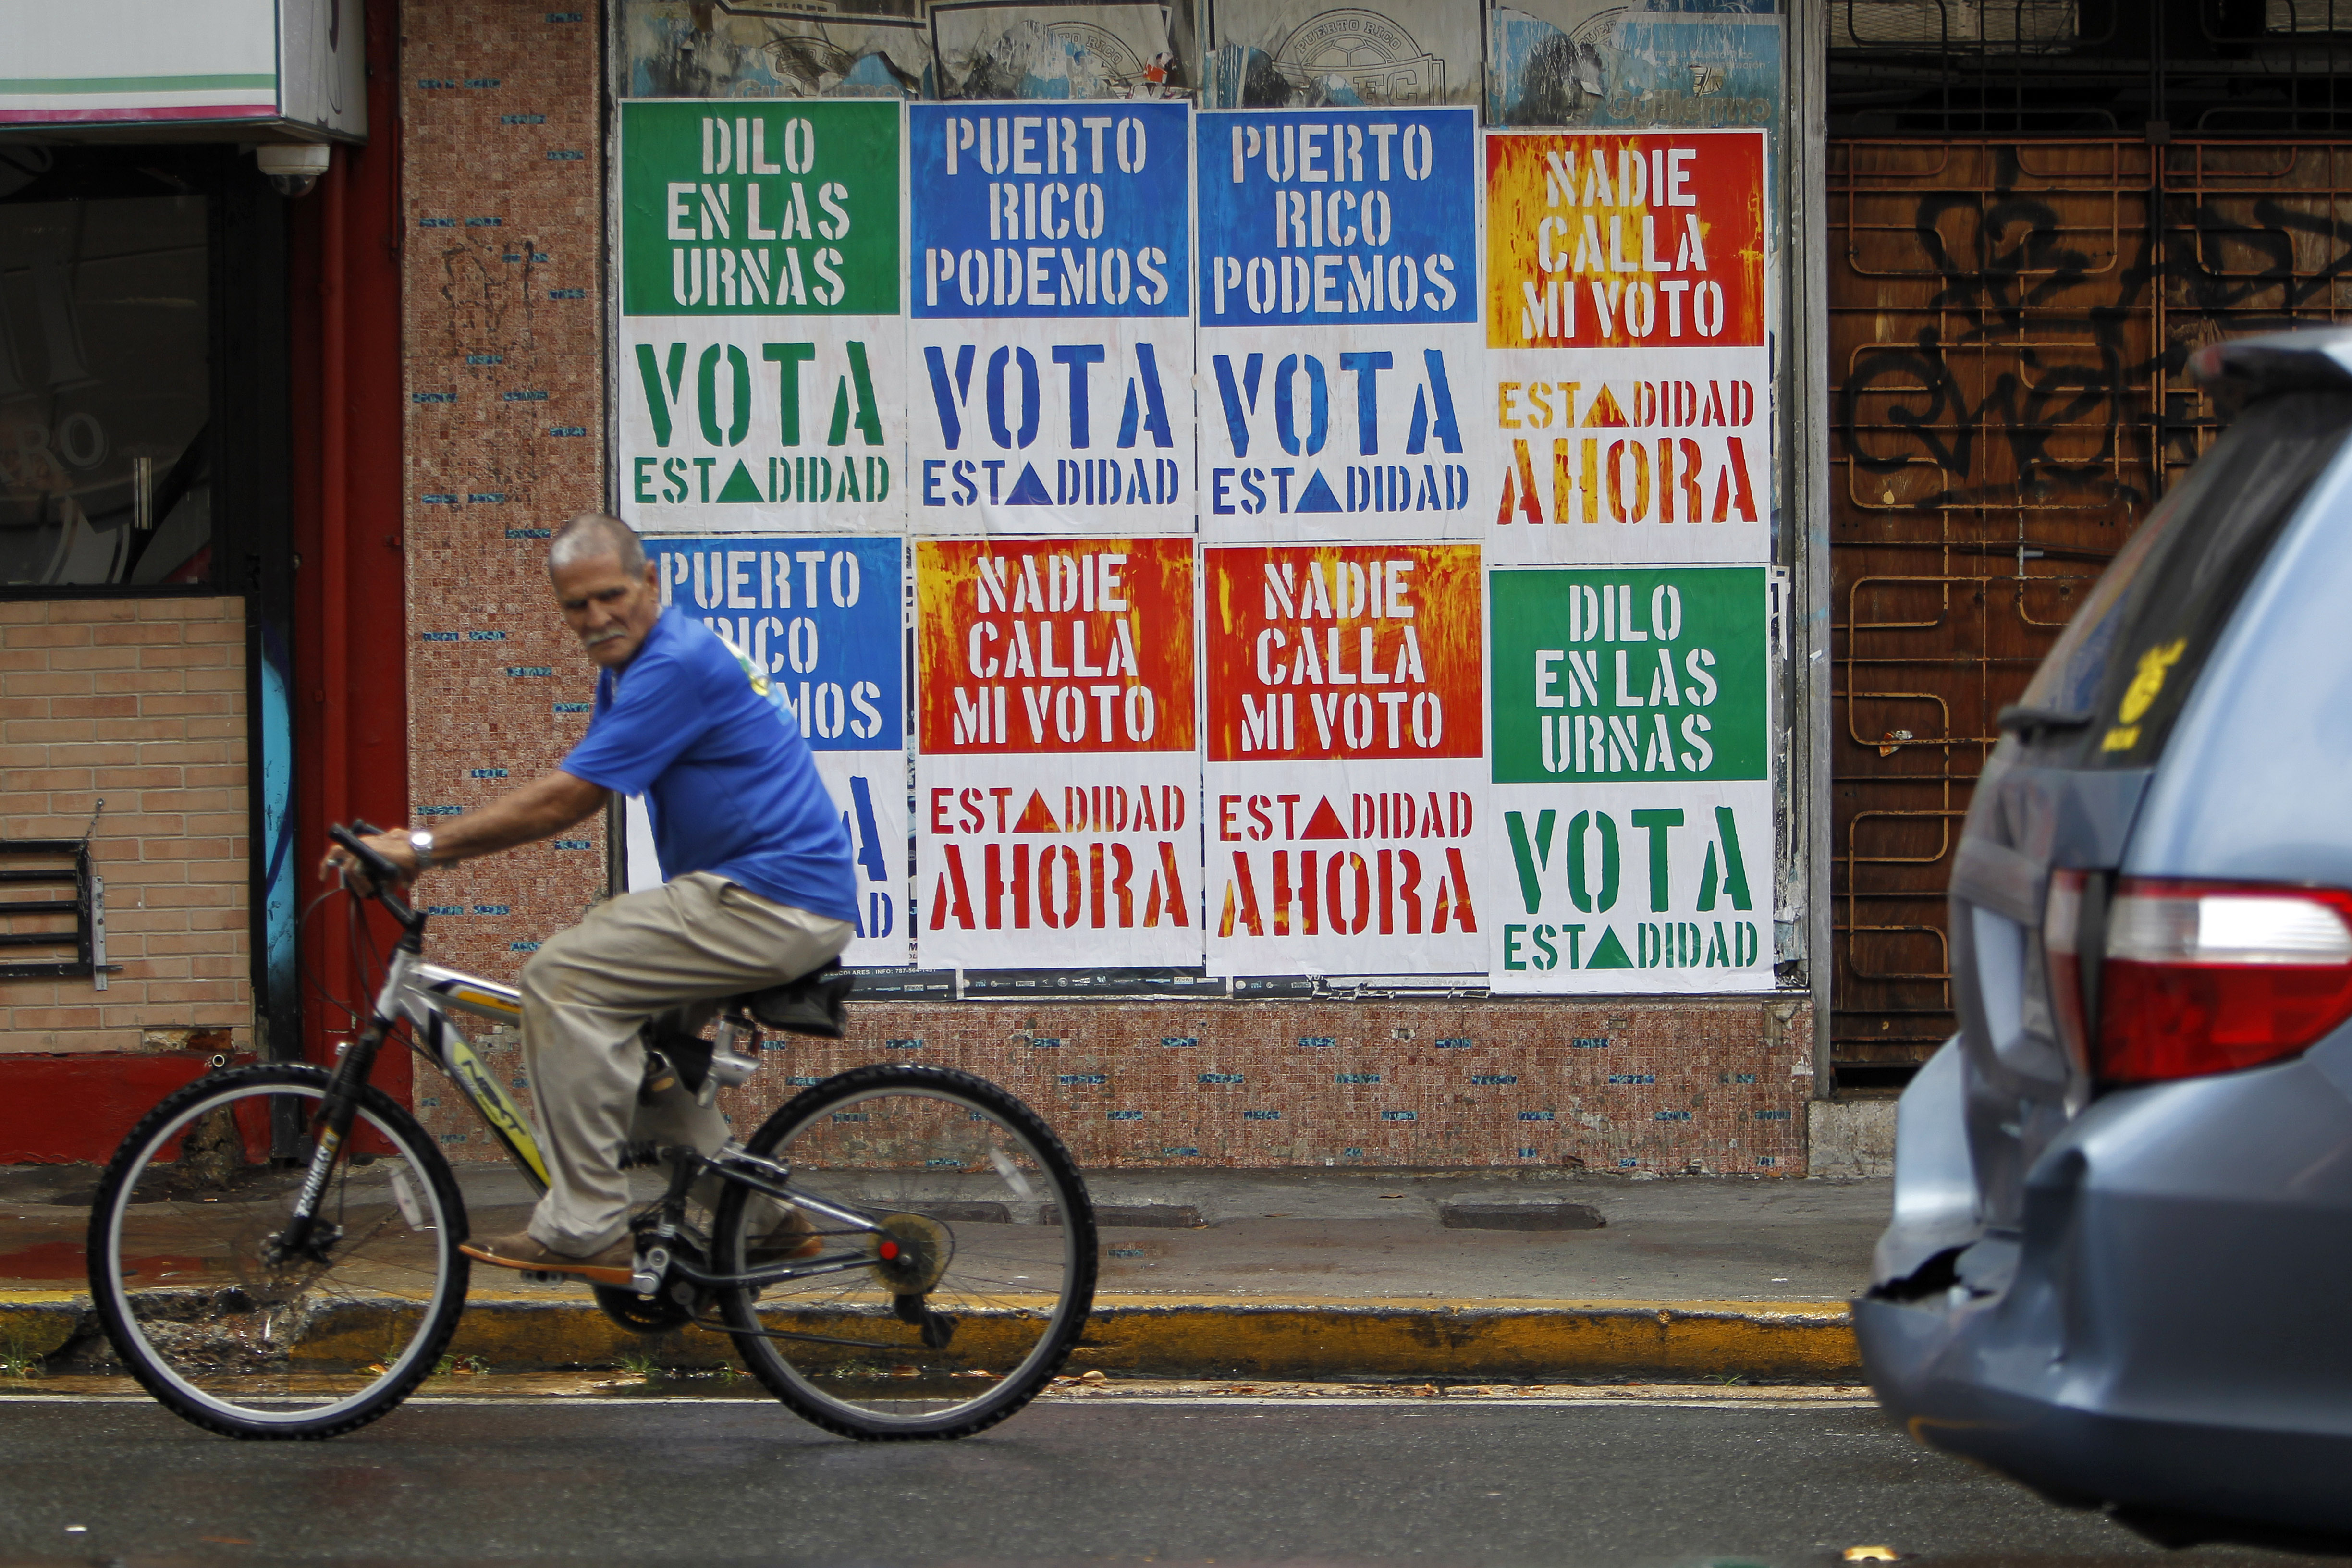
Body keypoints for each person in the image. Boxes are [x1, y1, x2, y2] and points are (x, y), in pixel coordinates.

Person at [324, 512, 857, 1285]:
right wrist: (420, 846)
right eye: (576, 606)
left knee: (562, 978)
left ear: (652, 584)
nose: (597, 617)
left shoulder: (674, 662)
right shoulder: (631, 669)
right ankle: (766, 1222)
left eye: (611, 596)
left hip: (771, 899)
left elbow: (568, 800)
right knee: (637, 1066)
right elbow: (583, 785)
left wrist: (427, 848)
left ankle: (584, 1225)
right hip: (759, 895)